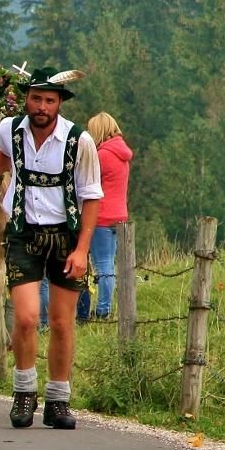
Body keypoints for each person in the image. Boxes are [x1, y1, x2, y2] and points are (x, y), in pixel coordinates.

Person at [0, 66, 102, 430]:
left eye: (49, 100)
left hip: (66, 237)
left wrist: (82, 250)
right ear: (26, 99)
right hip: (23, 234)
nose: (42, 106)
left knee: (61, 323)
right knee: (26, 318)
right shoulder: (10, 130)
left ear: (59, 103)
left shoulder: (79, 141)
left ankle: (58, 400)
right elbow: (2, 154)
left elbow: (91, 197)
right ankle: (24, 393)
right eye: (36, 99)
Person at [80, 112, 133, 320]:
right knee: (109, 263)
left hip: (100, 216)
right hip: (119, 215)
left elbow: (85, 182)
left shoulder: (101, 156)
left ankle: (103, 309)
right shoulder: (122, 154)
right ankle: (107, 307)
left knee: (102, 265)